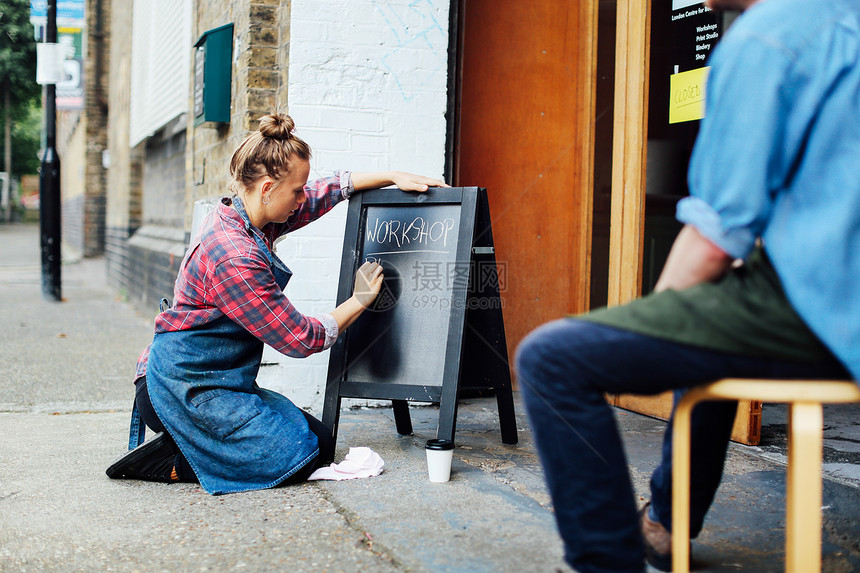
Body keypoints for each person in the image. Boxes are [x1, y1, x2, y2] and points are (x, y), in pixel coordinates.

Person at [515, 0, 860, 570]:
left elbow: (718, 236)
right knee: (703, 337)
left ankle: (605, 562)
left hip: (823, 308)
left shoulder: (767, 39)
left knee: (553, 359)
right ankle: (665, 524)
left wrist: (657, 322)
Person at [107, 113, 448, 495]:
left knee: (318, 438)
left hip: (221, 381)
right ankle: (174, 461)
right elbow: (300, 338)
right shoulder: (234, 256)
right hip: (183, 389)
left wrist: (390, 176)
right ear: (268, 187)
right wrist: (360, 300)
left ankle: (203, 447)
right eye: (296, 190)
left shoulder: (246, 215)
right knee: (298, 453)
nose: (302, 198)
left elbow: (320, 193)